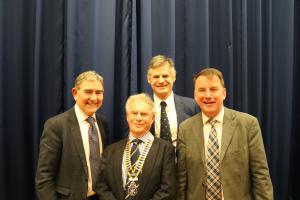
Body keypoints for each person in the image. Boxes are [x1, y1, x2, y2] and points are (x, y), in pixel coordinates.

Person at [176, 67, 273, 200]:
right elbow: (181, 179)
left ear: (224, 93)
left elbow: (260, 175)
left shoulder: (248, 124)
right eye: (202, 90)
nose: (208, 95)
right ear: (195, 95)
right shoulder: (185, 129)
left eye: (213, 89)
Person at [36, 70, 109, 200]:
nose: (94, 98)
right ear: (75, 93)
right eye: (88, 92)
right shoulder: (56, 126)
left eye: (98, 92)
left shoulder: (103, 123)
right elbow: (44, 177)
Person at [96, 93, 176, 200]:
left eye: (143, 114)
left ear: (152, 118)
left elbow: (167, 189)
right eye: (134, 113)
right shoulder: (111, 151)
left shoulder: (165, 149)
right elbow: (102, 186)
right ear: (127, 116)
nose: (138, 118)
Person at [147, 55, 199, 147]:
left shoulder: (191, 106)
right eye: (156, 77)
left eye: (165, 76)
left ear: (173, 77)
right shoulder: (143, 107)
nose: (161, 80)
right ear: (149, 79)